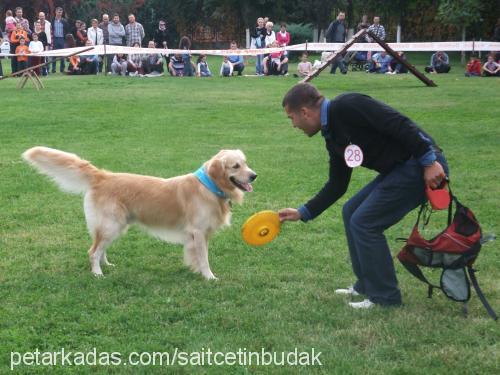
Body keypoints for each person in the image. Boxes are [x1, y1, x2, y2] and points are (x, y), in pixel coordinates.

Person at [279, 83, 448, 309]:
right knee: (351, 212)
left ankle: (385, 297)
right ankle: (367, 285)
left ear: (305, 112)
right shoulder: (332, 135)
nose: (293, 125)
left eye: (292, 118)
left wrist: (428, 161)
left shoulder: (348, 105)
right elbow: (338, 185)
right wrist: (303, 212)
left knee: (365, 222)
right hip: (401, 169)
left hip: (421, 166)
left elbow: (399, 123)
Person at [51, 7, 70, 73]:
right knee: (54, 55)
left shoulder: (64, 21)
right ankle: (53, 69)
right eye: (58, 12)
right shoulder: (53, 20)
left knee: (62, 54)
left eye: (61, 12)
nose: (59, 13)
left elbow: (67, 30)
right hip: (55, 38)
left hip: (62, 39)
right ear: (55, 12)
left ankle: (62, 69)